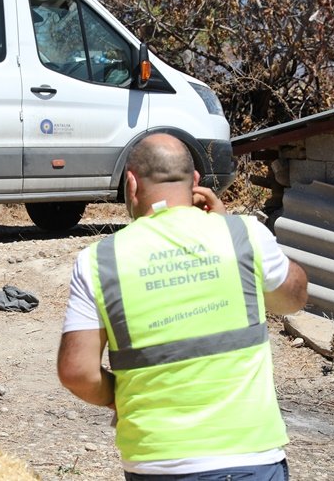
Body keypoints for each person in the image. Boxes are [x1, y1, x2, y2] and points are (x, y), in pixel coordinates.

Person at [57, 133, 309, 480]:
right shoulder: (243, 235)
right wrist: (226, 226)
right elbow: (293, 298)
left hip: (155, 461)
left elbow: (77, 372)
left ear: (131, 184)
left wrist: (118, 398)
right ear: (194, 182)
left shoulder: (99, 260)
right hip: (249, 457)